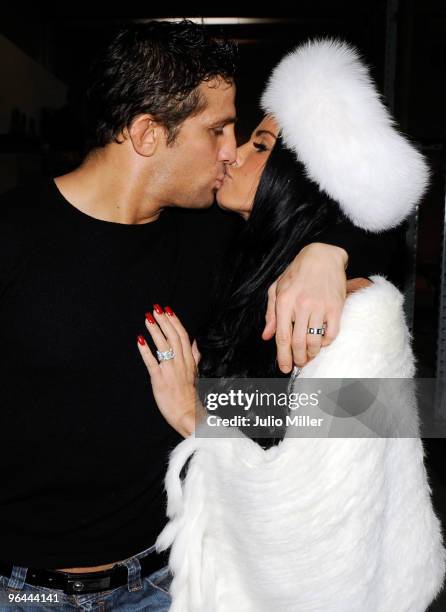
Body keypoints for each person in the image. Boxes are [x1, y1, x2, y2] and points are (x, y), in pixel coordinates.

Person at [0, 22, 392, 611]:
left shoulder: (214, 238)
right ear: (147, 134)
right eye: (217, 130)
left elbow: (375, 409)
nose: (231, 149)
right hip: (22, 591)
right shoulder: (12, 237)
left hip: (167, 582)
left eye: (244, 136)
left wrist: (329, 251)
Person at [137, 40, 446, 611]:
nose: (230, 154)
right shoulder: (237, 258)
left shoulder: (360, 316)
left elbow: (313, 527)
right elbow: (279, 409)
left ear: (302, 177)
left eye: (259, 143)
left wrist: (192, 414)